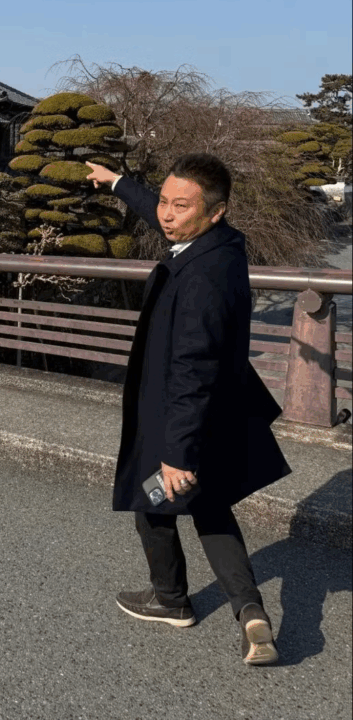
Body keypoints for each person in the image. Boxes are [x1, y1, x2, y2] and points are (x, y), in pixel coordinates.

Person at [85, 153, 291, 665]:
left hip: (180, 414)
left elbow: (193, 366)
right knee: (210, 507)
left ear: (215, 212)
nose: (167, 214)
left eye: (181, 206)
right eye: (164, 201)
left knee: (151, 498)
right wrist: (118, 185)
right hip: (214, 412)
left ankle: (171, 599)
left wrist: (177, 452)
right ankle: (250, 611)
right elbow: (161, 206)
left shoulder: (201, 276)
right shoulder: (221, 245)